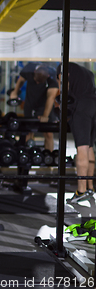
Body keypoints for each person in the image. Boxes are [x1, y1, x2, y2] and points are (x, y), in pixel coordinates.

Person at [56, 62, 96, 203]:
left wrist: (62, 103)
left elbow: (64, 85)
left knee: (82, 148)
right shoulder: (87, 72)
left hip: (81, 108)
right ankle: (90, 187)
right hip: (93, 105)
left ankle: (81, 191)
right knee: (90, 146)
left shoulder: (63, 67)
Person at [9, 62, 58, 151]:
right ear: (34, 72)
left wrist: (45, 116)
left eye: (39, 82)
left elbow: (50, 98)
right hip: (30, 104)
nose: (37, 82)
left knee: (48, 133)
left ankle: (49, 157)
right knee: (29, 131)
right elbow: (21, 80)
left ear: (47, 76)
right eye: (36, 80)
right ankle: (28, 155)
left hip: (45, 106)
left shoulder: (53, 76)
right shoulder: (30, 68)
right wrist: (15, 92)